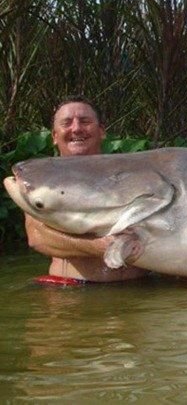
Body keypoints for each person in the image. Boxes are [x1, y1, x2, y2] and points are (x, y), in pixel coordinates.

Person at [25, 95, 148, 285]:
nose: (76, 128)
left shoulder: (131, 174)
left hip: (139, 289)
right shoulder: (41, 180)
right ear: (55, 136)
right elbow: (37, 236)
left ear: (102, 131)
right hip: (71, 294)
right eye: (67, 123)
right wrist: (104, 247)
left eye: (85, 121)